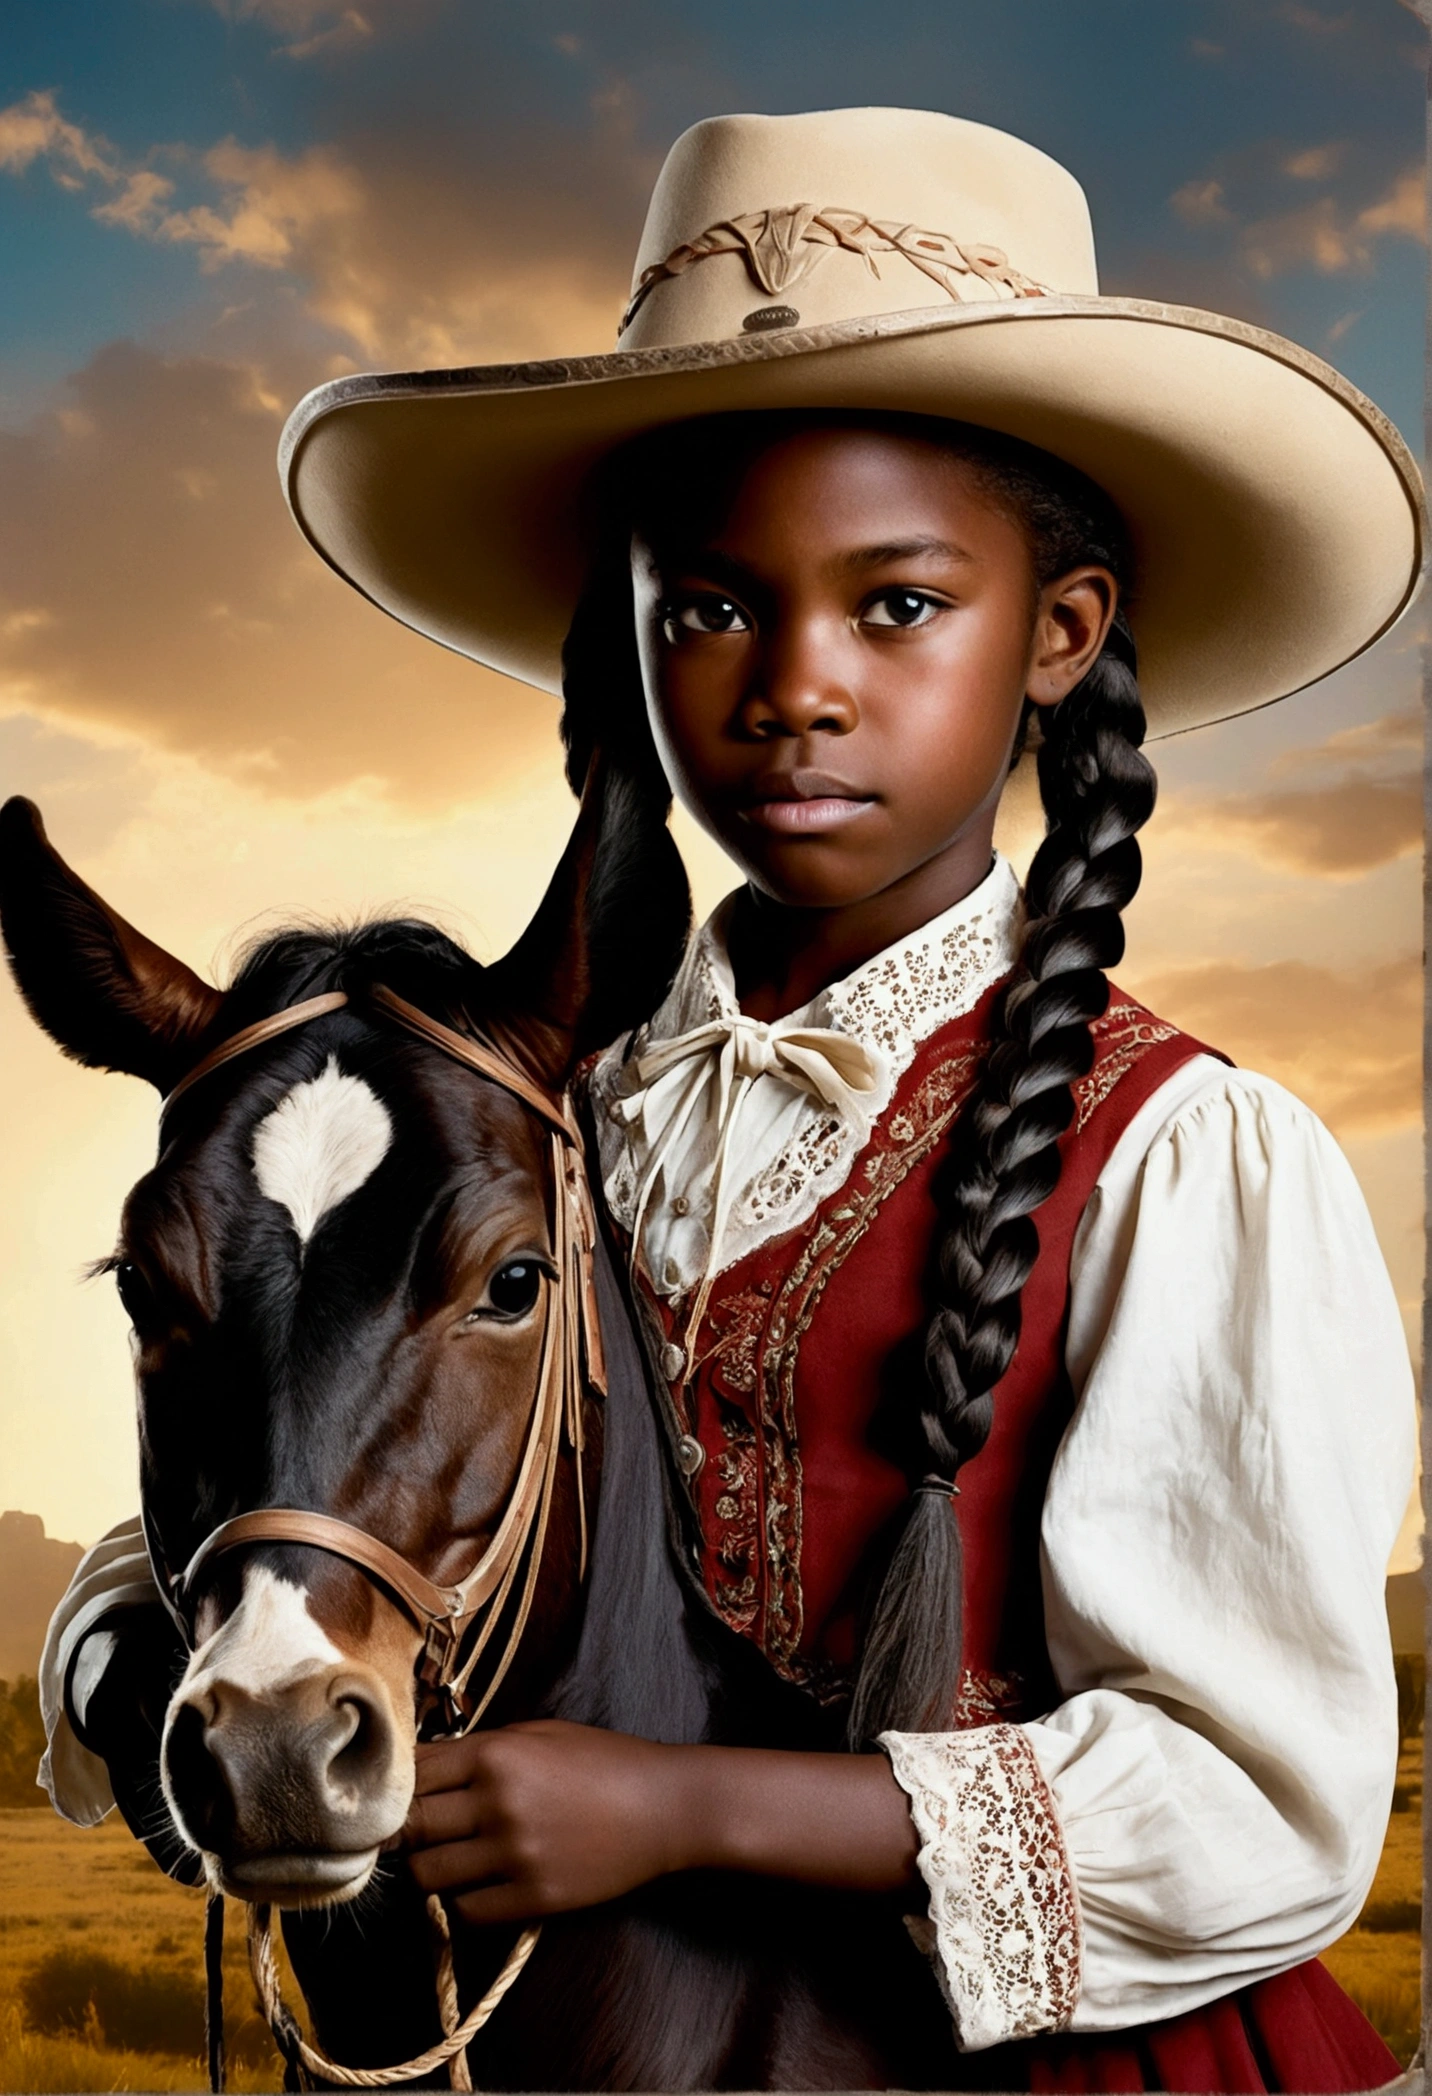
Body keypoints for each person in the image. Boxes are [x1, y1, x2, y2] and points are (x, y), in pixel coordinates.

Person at [38, 108, 1421, 2090]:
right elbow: (342, 1446)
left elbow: (1261, 1809)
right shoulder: (545, 1109)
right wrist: (140, 1628)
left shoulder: (1186, 1157)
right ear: (630, 638)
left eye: (893, 605)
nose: (791, 684)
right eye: (707, 606)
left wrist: (680, 1813)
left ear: (1059, 633)